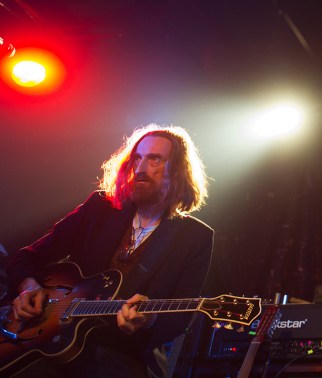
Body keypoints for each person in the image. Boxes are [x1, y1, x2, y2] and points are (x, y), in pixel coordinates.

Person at [5, 124, 213, 377]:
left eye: (154, 159)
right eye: (137, 158)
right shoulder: (100, 207)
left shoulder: (195, 237)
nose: (141, 168)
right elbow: (28, 256)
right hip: (50, 341)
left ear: (178, 171)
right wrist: (29, 288)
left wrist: (149, 320)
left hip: (122, 353)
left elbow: (180, 319)